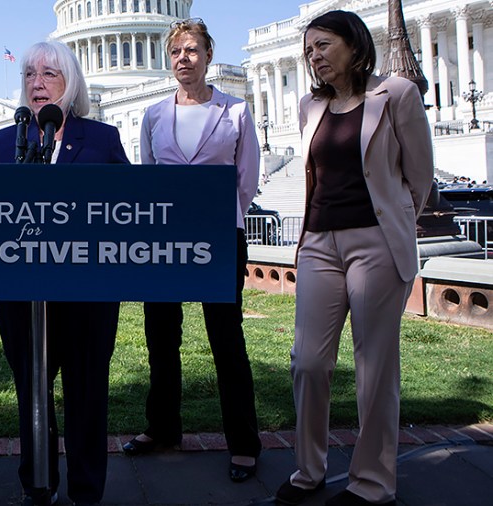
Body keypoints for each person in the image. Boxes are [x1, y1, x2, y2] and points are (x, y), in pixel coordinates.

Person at [274, 10, 433, 506]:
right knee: (309, 362)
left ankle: (372, 483)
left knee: (374, 367)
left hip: (376, 243)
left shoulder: (397, 96)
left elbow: (420, 176)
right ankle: (309, 470)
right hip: (319, 242)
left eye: (323, 45)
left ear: (353, 44)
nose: (315, 56)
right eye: (309, 50)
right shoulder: (308, 107)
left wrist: (393, 226)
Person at [0, 41, 130, 506]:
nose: (37, 83)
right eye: (29, 74)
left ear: (70, 83)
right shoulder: (5, 142)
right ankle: (38, 485)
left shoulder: (102, 139)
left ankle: (86, 492)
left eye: (49, 73)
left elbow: (129, 210)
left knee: (87, 395)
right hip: (21, 295)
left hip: (87, 295)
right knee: (32, 392)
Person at [123, 17, 262, 484]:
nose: (185, 58)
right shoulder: (154, 115)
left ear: (207, 55)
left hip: (220, 237)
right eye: (177, 51)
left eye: (193, 50)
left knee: (227, 341)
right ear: (170, 59)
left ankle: (243, 443)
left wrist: (216, 222)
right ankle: (163, 428)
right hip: (164, 241)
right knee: (161, 339)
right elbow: (150, 174)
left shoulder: (236, 112)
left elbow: (246, 181)